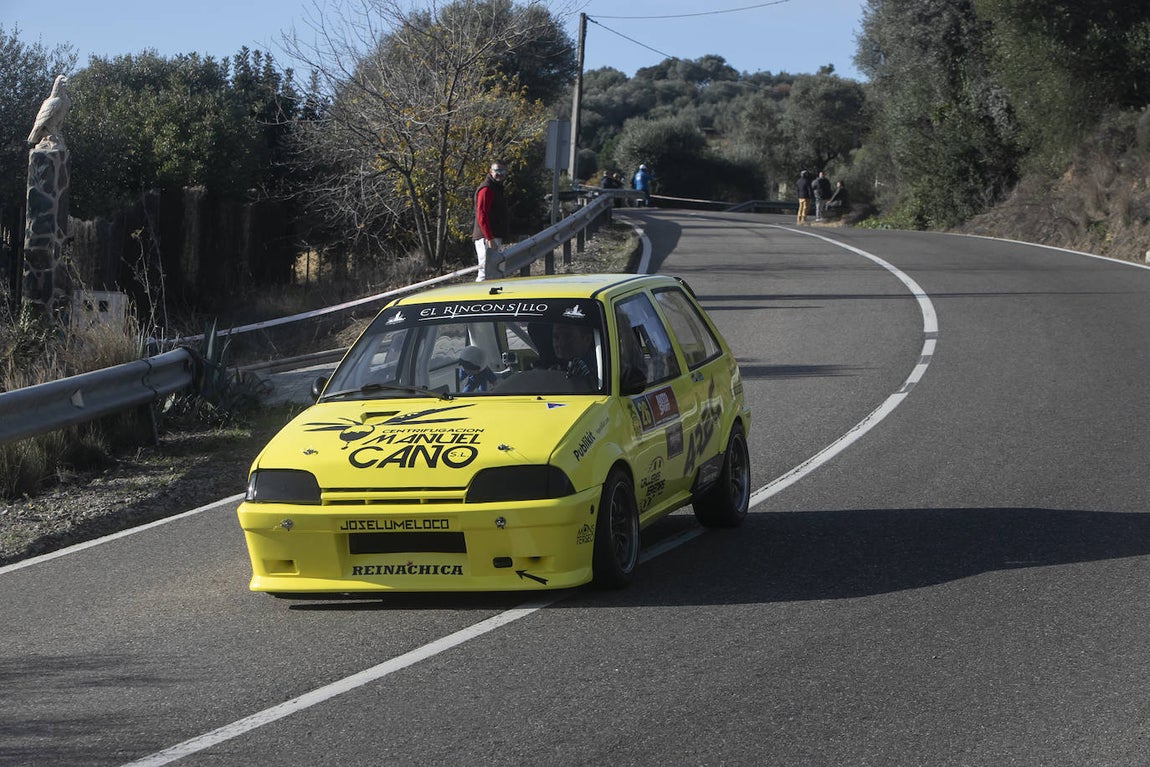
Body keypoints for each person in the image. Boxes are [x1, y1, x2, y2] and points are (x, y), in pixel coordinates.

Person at [473, 161, 509, 282]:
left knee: (494, 271)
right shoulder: (487, 189)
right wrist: (489, 238)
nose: (500, 174)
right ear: (490, 171)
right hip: (486, 237)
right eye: (497, 171)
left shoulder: (497, 188)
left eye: (503, 171)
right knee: (484, 272)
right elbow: (481, 215)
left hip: (493, 236)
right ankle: (476, 299)